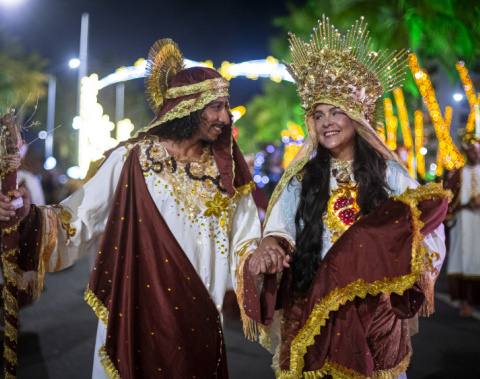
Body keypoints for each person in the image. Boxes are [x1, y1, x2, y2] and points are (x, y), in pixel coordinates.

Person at [0, 39, 260, 378]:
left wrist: (265, 254)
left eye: (227, 107)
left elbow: (246, 237)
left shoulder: (226, 170)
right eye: (217, 107)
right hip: (139, 311)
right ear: (187, 106)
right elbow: (78, 218)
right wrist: (23, 215)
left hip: (203, 314)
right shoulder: (132, 158)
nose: (226, 118)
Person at [235, 16, 450, 379]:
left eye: (336, 112)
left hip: (373, 310)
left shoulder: (389, 174)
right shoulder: (301, 179)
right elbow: (281, 227)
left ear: (359, 117)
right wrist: (270, 245)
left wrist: (405, 265)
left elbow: (424, 224)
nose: (326, 122)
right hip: (314, 301)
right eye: (318, 115)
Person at [444, 130, 480, 317]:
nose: (478, 154)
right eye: (474, 151)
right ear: (466, 151)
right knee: (465, 260)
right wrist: (467, 204)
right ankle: (465, 302)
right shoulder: (458, 175)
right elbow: (448, 201)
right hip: (464, 223)